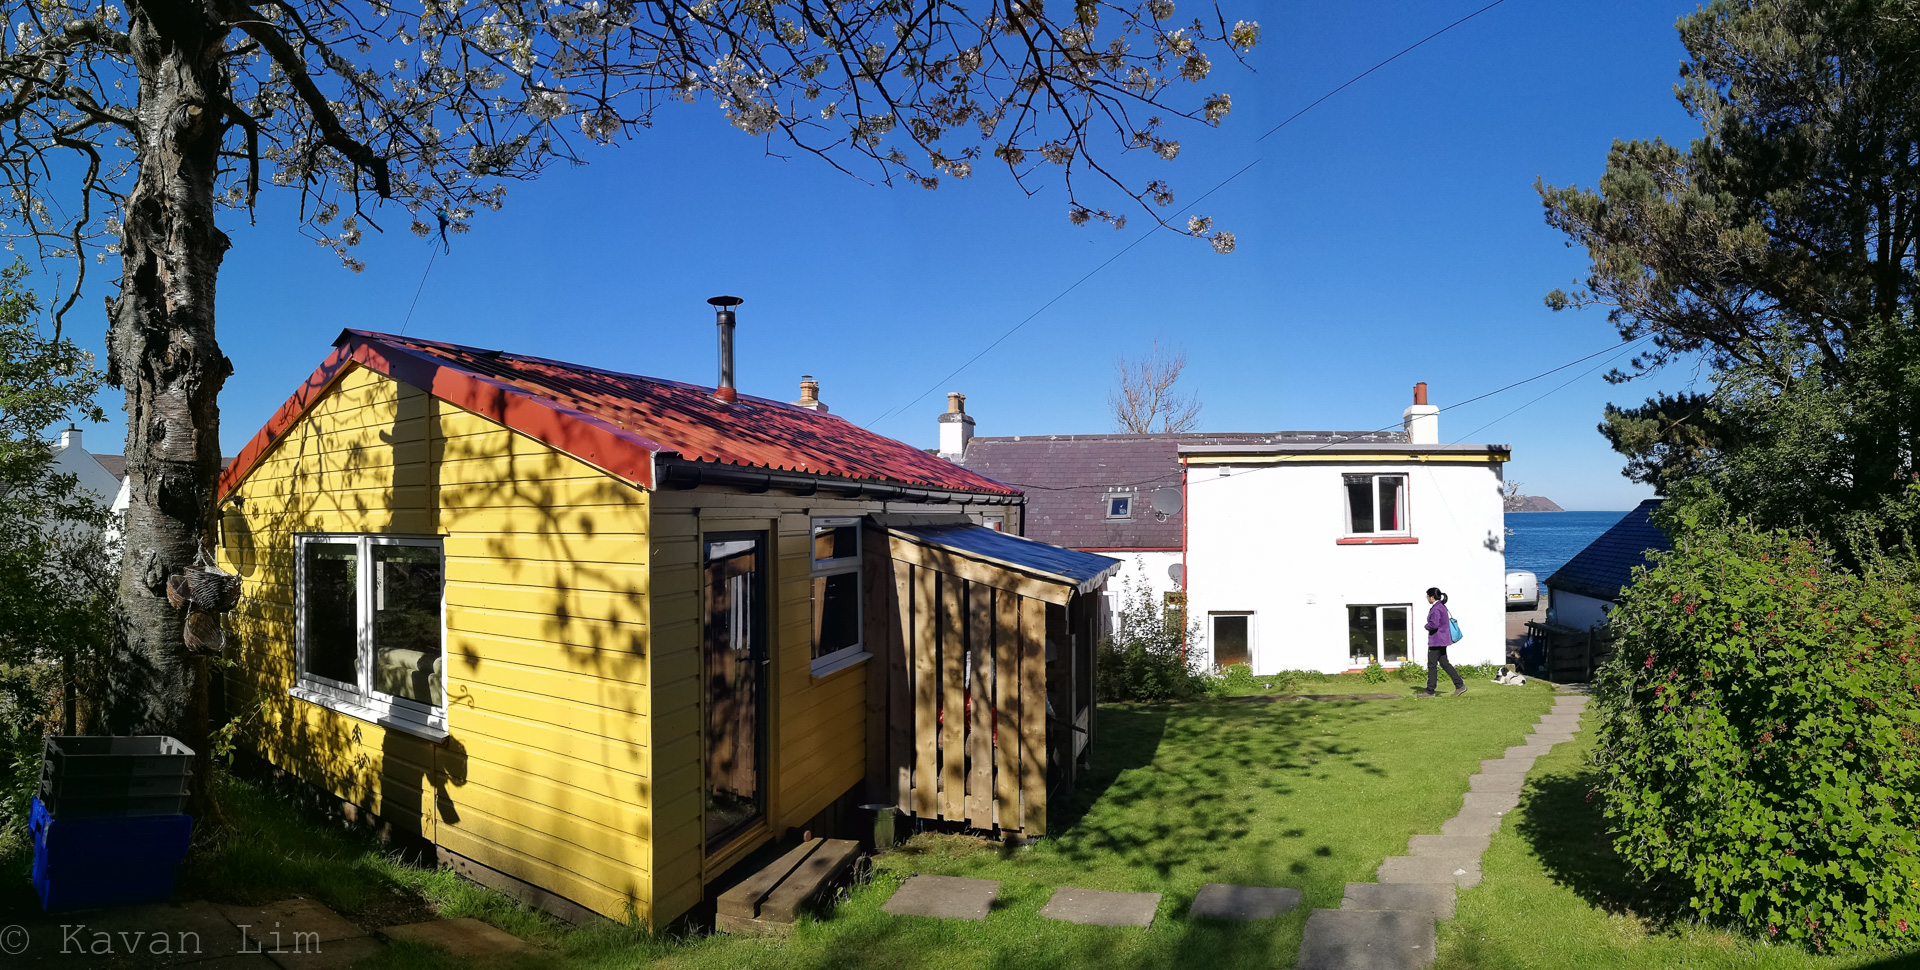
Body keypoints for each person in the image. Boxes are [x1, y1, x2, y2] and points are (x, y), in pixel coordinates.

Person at [1419, 587, 1466, 697]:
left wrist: (1426, 626)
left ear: (1432, 597)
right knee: (1445, 664)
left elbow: (1434, 624)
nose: (1427, 598)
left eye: (1427, 596)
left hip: (1436, 641)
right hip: (1442, 641)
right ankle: (1460, 685)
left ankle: (1430, 691)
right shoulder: (1442, 606)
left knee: (1432, 665)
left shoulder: (1436, 609)